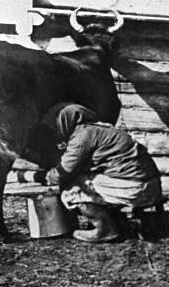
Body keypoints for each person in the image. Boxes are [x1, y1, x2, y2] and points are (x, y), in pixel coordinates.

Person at [45, 104, 162, 243]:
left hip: (135, 189)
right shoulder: (101, 128)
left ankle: (105, 229)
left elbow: (64, 171)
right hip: (151, 186)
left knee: (71, 187)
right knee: (89, 179)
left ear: (66, 121)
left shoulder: (83, 135)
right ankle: (119, 223)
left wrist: (47, 176)